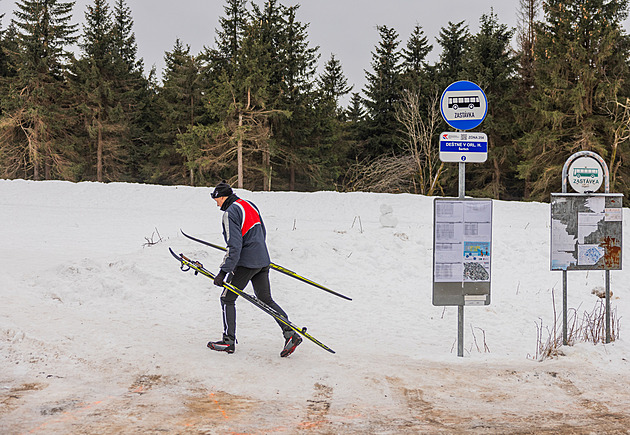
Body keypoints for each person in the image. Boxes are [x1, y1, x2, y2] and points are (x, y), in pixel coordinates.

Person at [207, 181, 302, 357]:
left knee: (227, 298)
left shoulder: (230, 213)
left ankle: (228, 342)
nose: (216, 203)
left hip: (245, 264)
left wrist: (223, 272)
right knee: (266, 298)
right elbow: (262, 232)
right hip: (263, 260)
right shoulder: (249, 204)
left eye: (216, 199)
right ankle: (290, 334)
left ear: (222, 196)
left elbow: (234, 246)